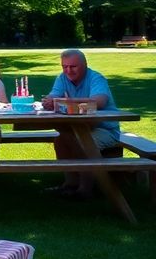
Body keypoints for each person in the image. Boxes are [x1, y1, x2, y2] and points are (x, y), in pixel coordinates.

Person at [42, 49, 120, 199]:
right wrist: (49, 101)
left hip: (104, 129)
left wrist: (68, 101)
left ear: (85, 65)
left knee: (81, 141)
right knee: (60, 140)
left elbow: (99, 102)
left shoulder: (96, 78)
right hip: (77, 127)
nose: (68, 71)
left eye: (73, 67)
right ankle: (70, 183)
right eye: (64, 67)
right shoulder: (62, 78)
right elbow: (54, 96)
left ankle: (85, 190)